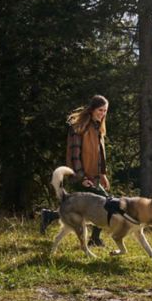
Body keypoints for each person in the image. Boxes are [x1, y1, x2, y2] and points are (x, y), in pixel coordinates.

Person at [41, 95, 110, 246]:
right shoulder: (78, 127)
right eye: (100, 110)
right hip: (81, 175)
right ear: (92, 109)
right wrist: (82, 177)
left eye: (105, 111)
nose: (103, 113)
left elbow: (100, 155)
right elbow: (75, 155)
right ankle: (94, 239)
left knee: (82, 206)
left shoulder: (98, 127)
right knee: (104, 204)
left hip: (94, 176)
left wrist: (103, 174)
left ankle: (49, 216)